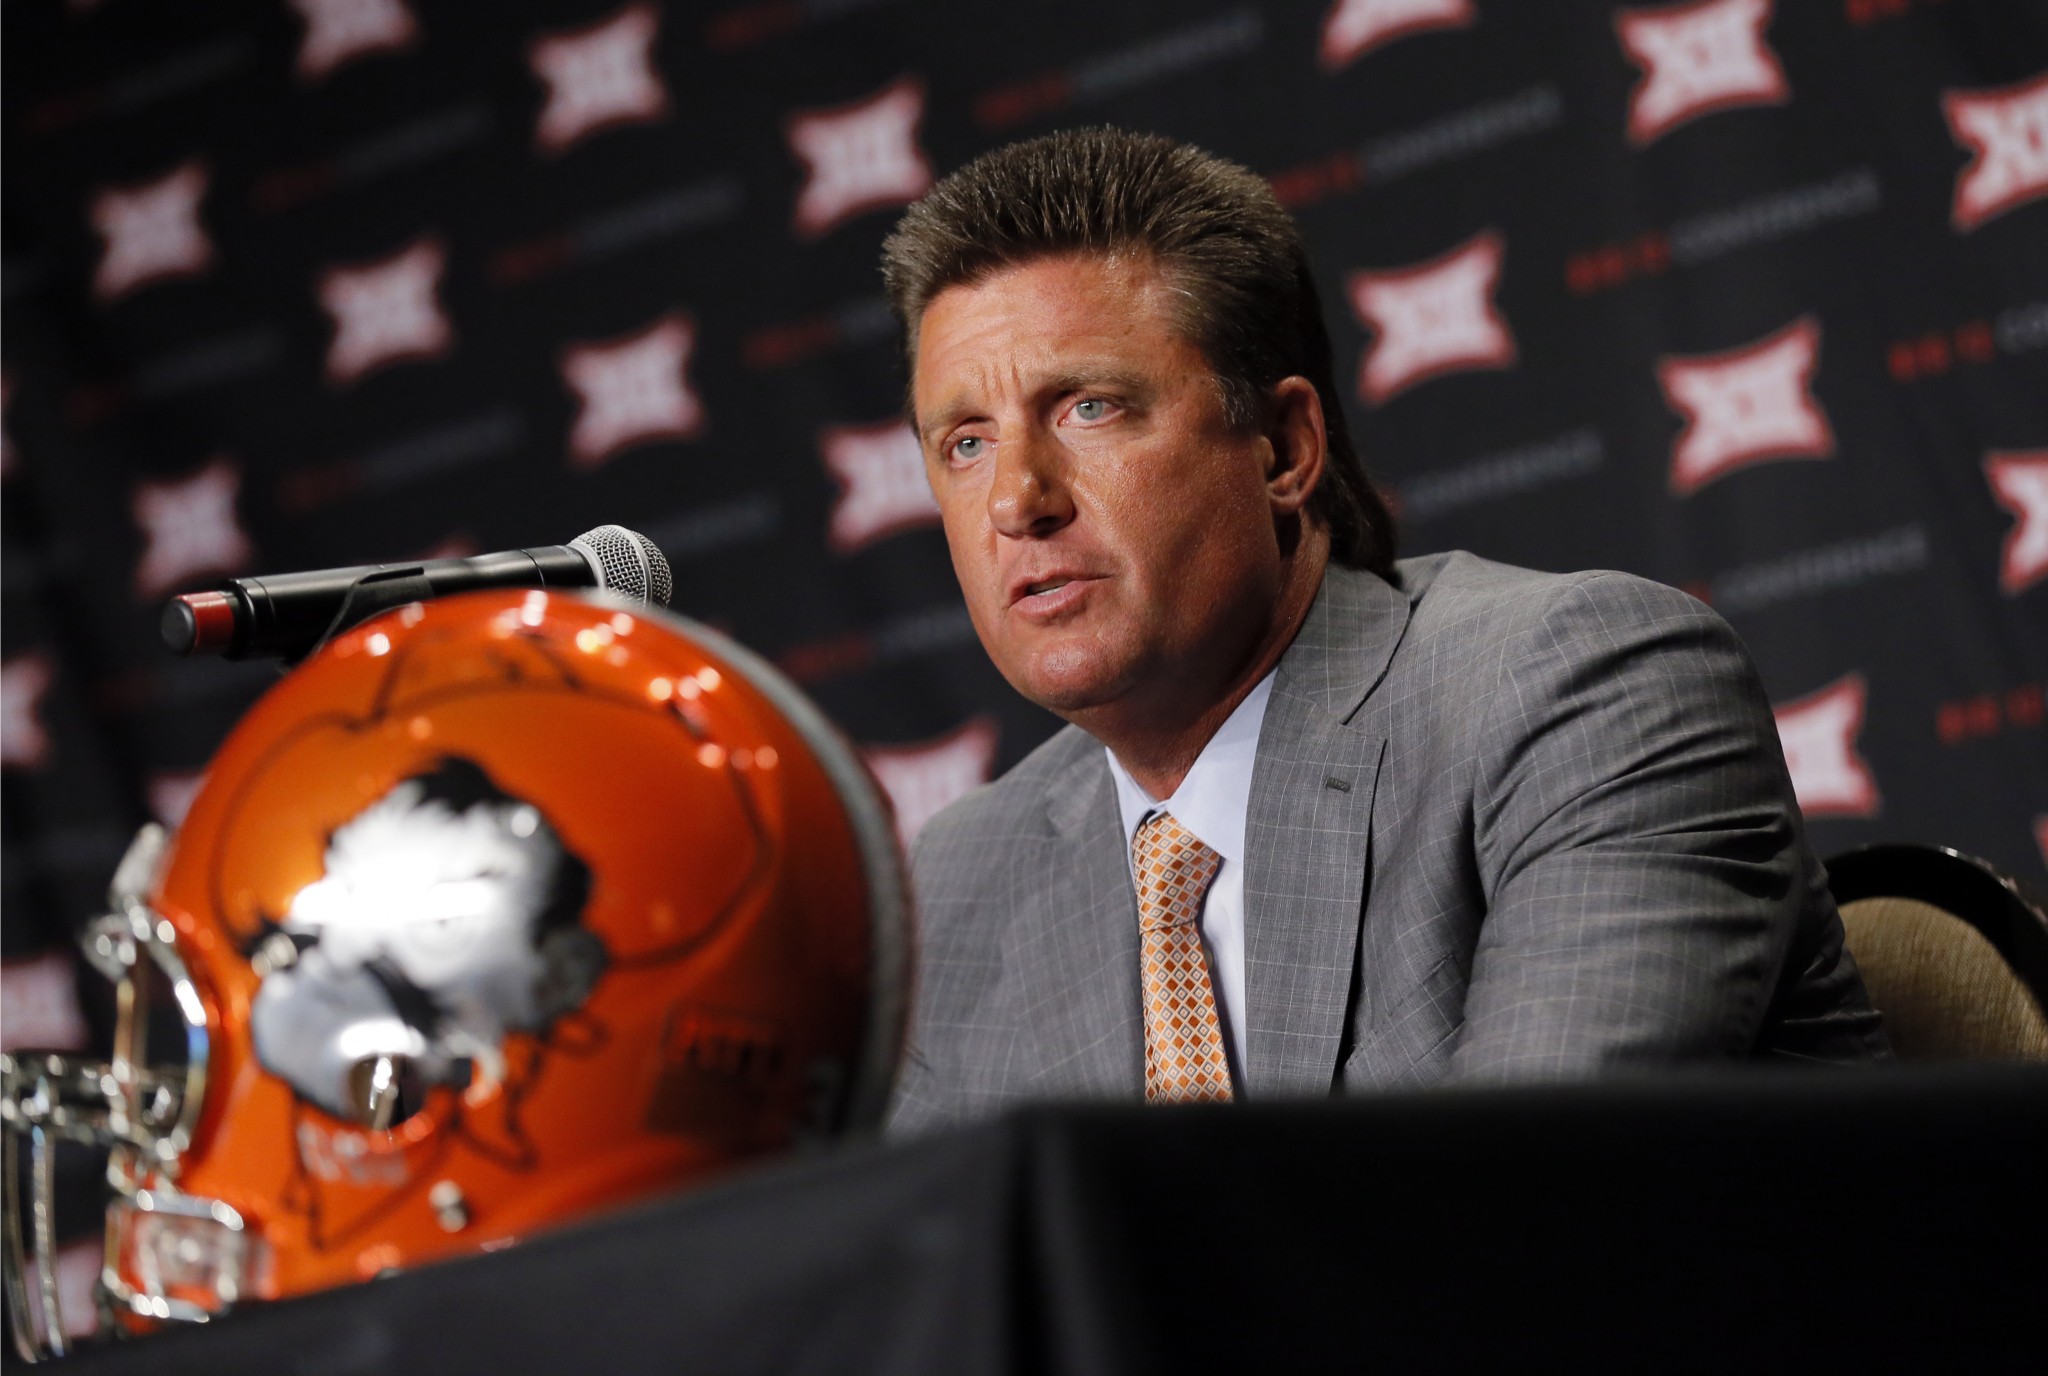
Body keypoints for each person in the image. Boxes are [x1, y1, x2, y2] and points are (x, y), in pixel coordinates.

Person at [880, 128, 1885, 1132]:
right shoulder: (964, 875)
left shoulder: (1582, 692)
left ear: (1282, 449)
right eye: (964, 442)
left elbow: (1534, 1218)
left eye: (1089, 407)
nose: (1015, 499)